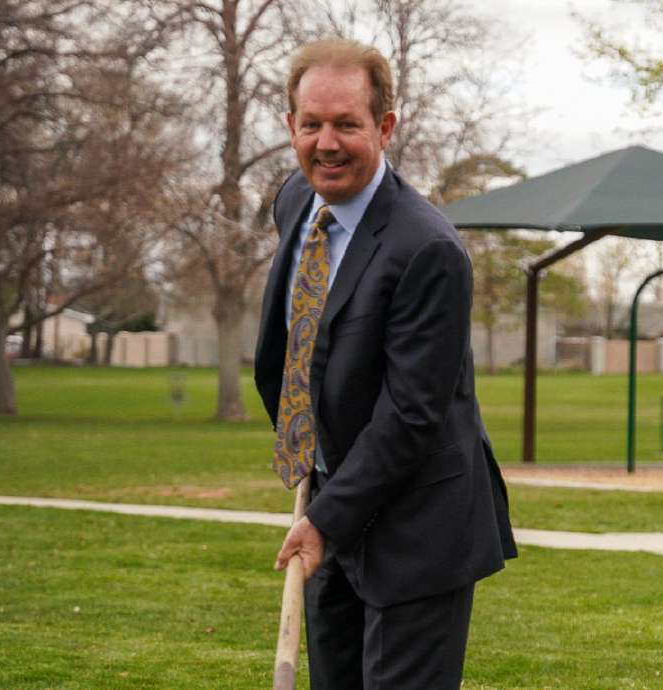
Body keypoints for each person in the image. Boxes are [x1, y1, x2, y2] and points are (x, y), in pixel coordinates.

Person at [254, 38, 517, 690]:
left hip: (418, 528)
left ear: (385, 127)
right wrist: (313, 473)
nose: (327, 142)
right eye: (311, 124)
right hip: (334, 507)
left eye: (347, 123)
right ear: (291, 126)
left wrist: (326, 516)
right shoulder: (294, 202)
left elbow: (411, 413)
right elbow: (301, 353)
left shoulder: (427, 250)